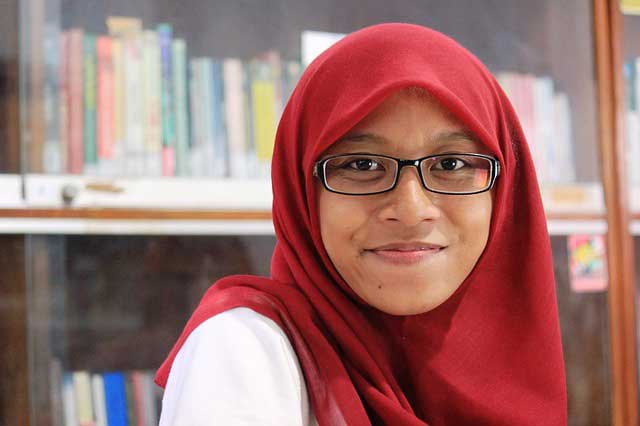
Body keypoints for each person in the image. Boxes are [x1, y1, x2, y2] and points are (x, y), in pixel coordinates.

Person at [155, 23, 567, 425]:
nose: (411, 210)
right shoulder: (242, 354)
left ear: (506, 191)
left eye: (451, 164)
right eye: (362, 165)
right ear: (302, 190)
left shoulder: (516, 366)